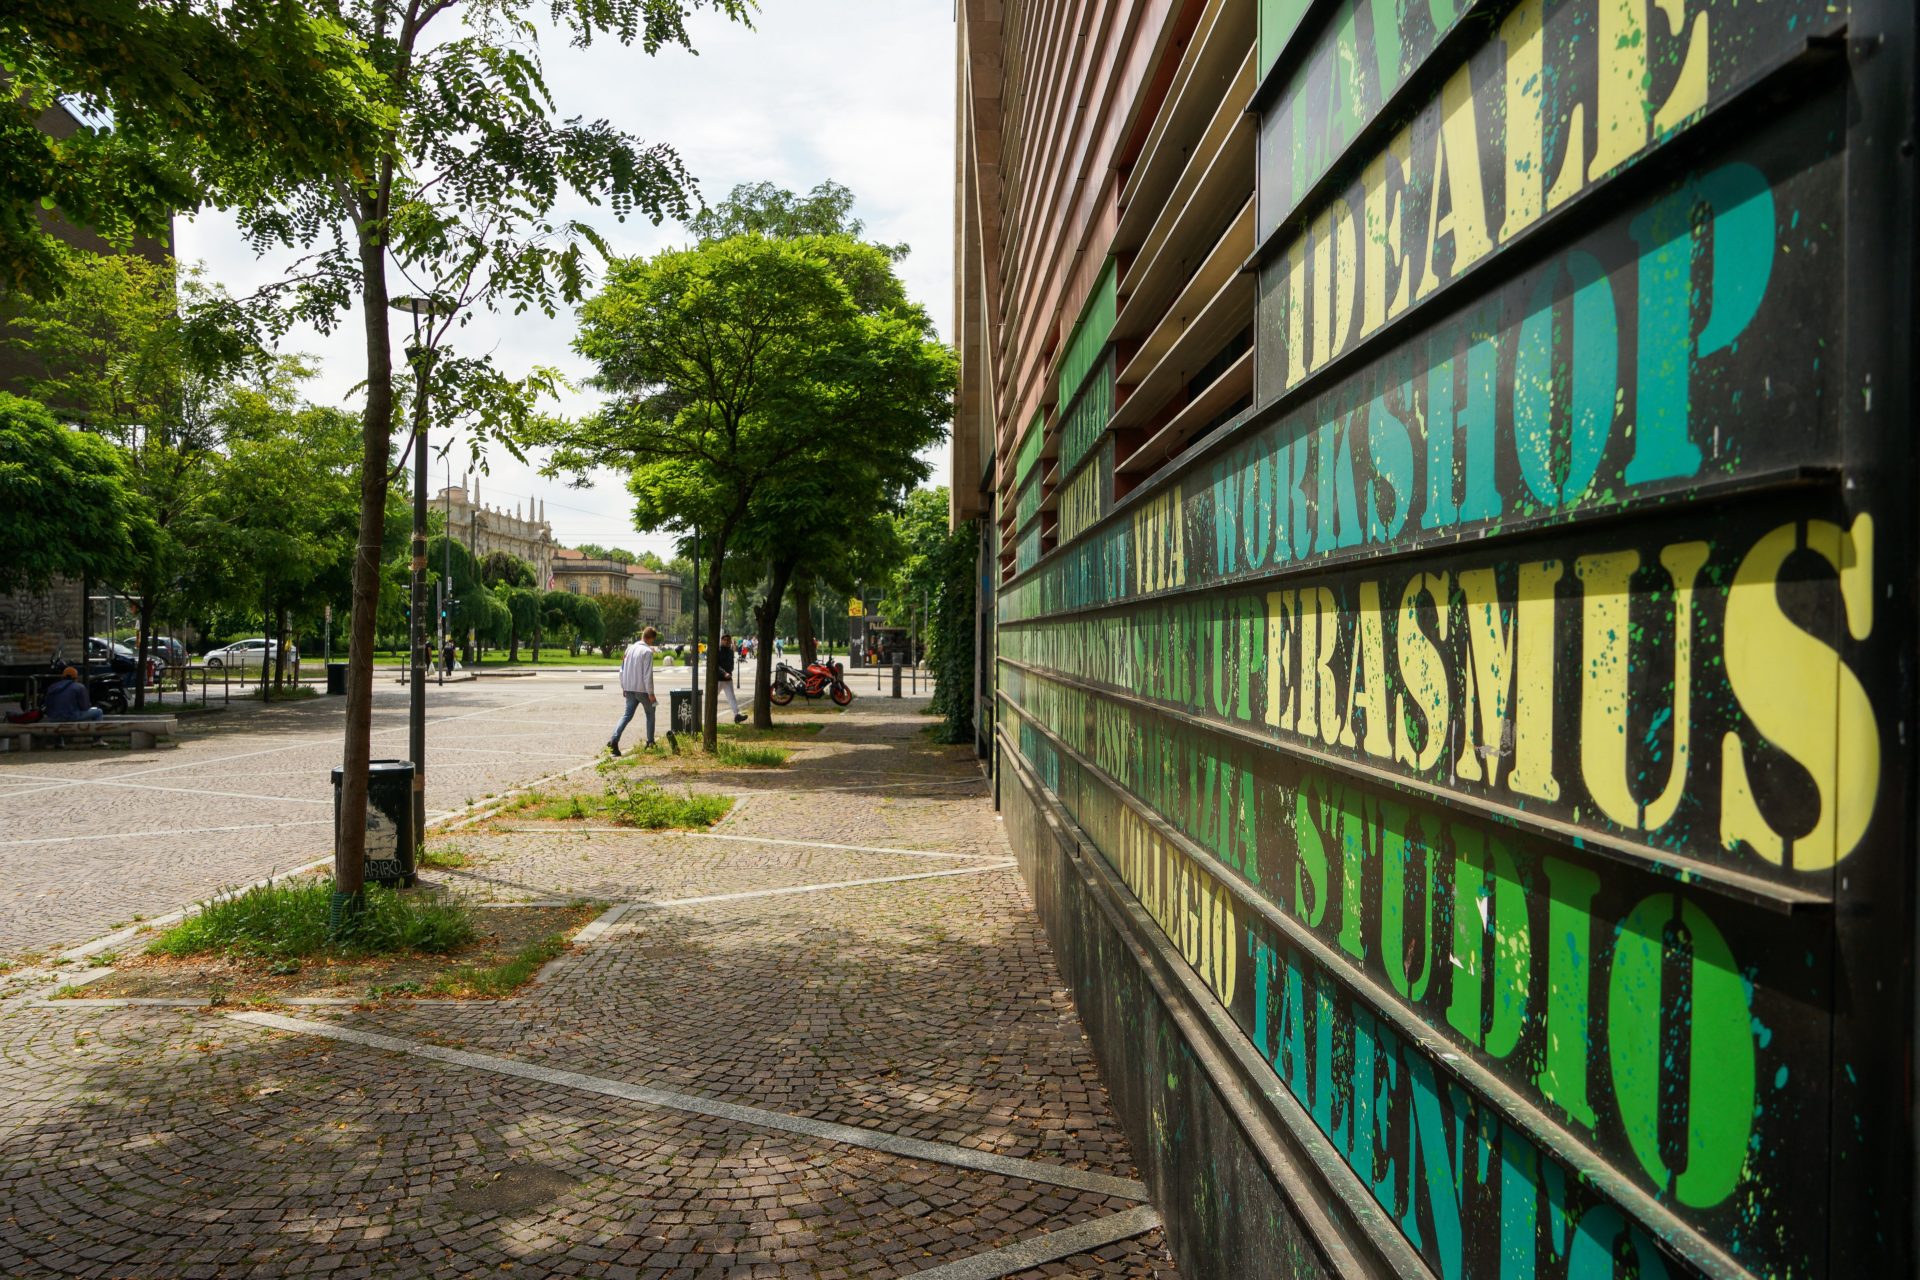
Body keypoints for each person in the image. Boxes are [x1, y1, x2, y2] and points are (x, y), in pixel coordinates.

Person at [607, 626, 659, 755]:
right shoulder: (647, 652)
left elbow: (622, 670)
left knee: (627, 715)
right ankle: (650, 742)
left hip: (629, 688)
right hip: (642, 690)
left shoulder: (629, 649)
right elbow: (647, 675)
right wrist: (651, 693)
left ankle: (614, 739)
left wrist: (624, 686)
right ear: (651, 638)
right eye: (652, 640)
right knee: (650, 713)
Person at [716, 630, 746, 724]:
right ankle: (710, 715)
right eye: (724, 640)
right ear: (721, 640)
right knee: (712, 698)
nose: (726, 641)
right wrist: (724, 673)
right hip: (718, 679)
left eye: (728, 640)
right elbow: (715, 665)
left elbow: (731, 664)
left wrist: (729, 672)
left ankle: (737, 715)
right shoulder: (718, 651)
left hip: (728, 678)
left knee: (731, 697)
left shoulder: (730, 651)